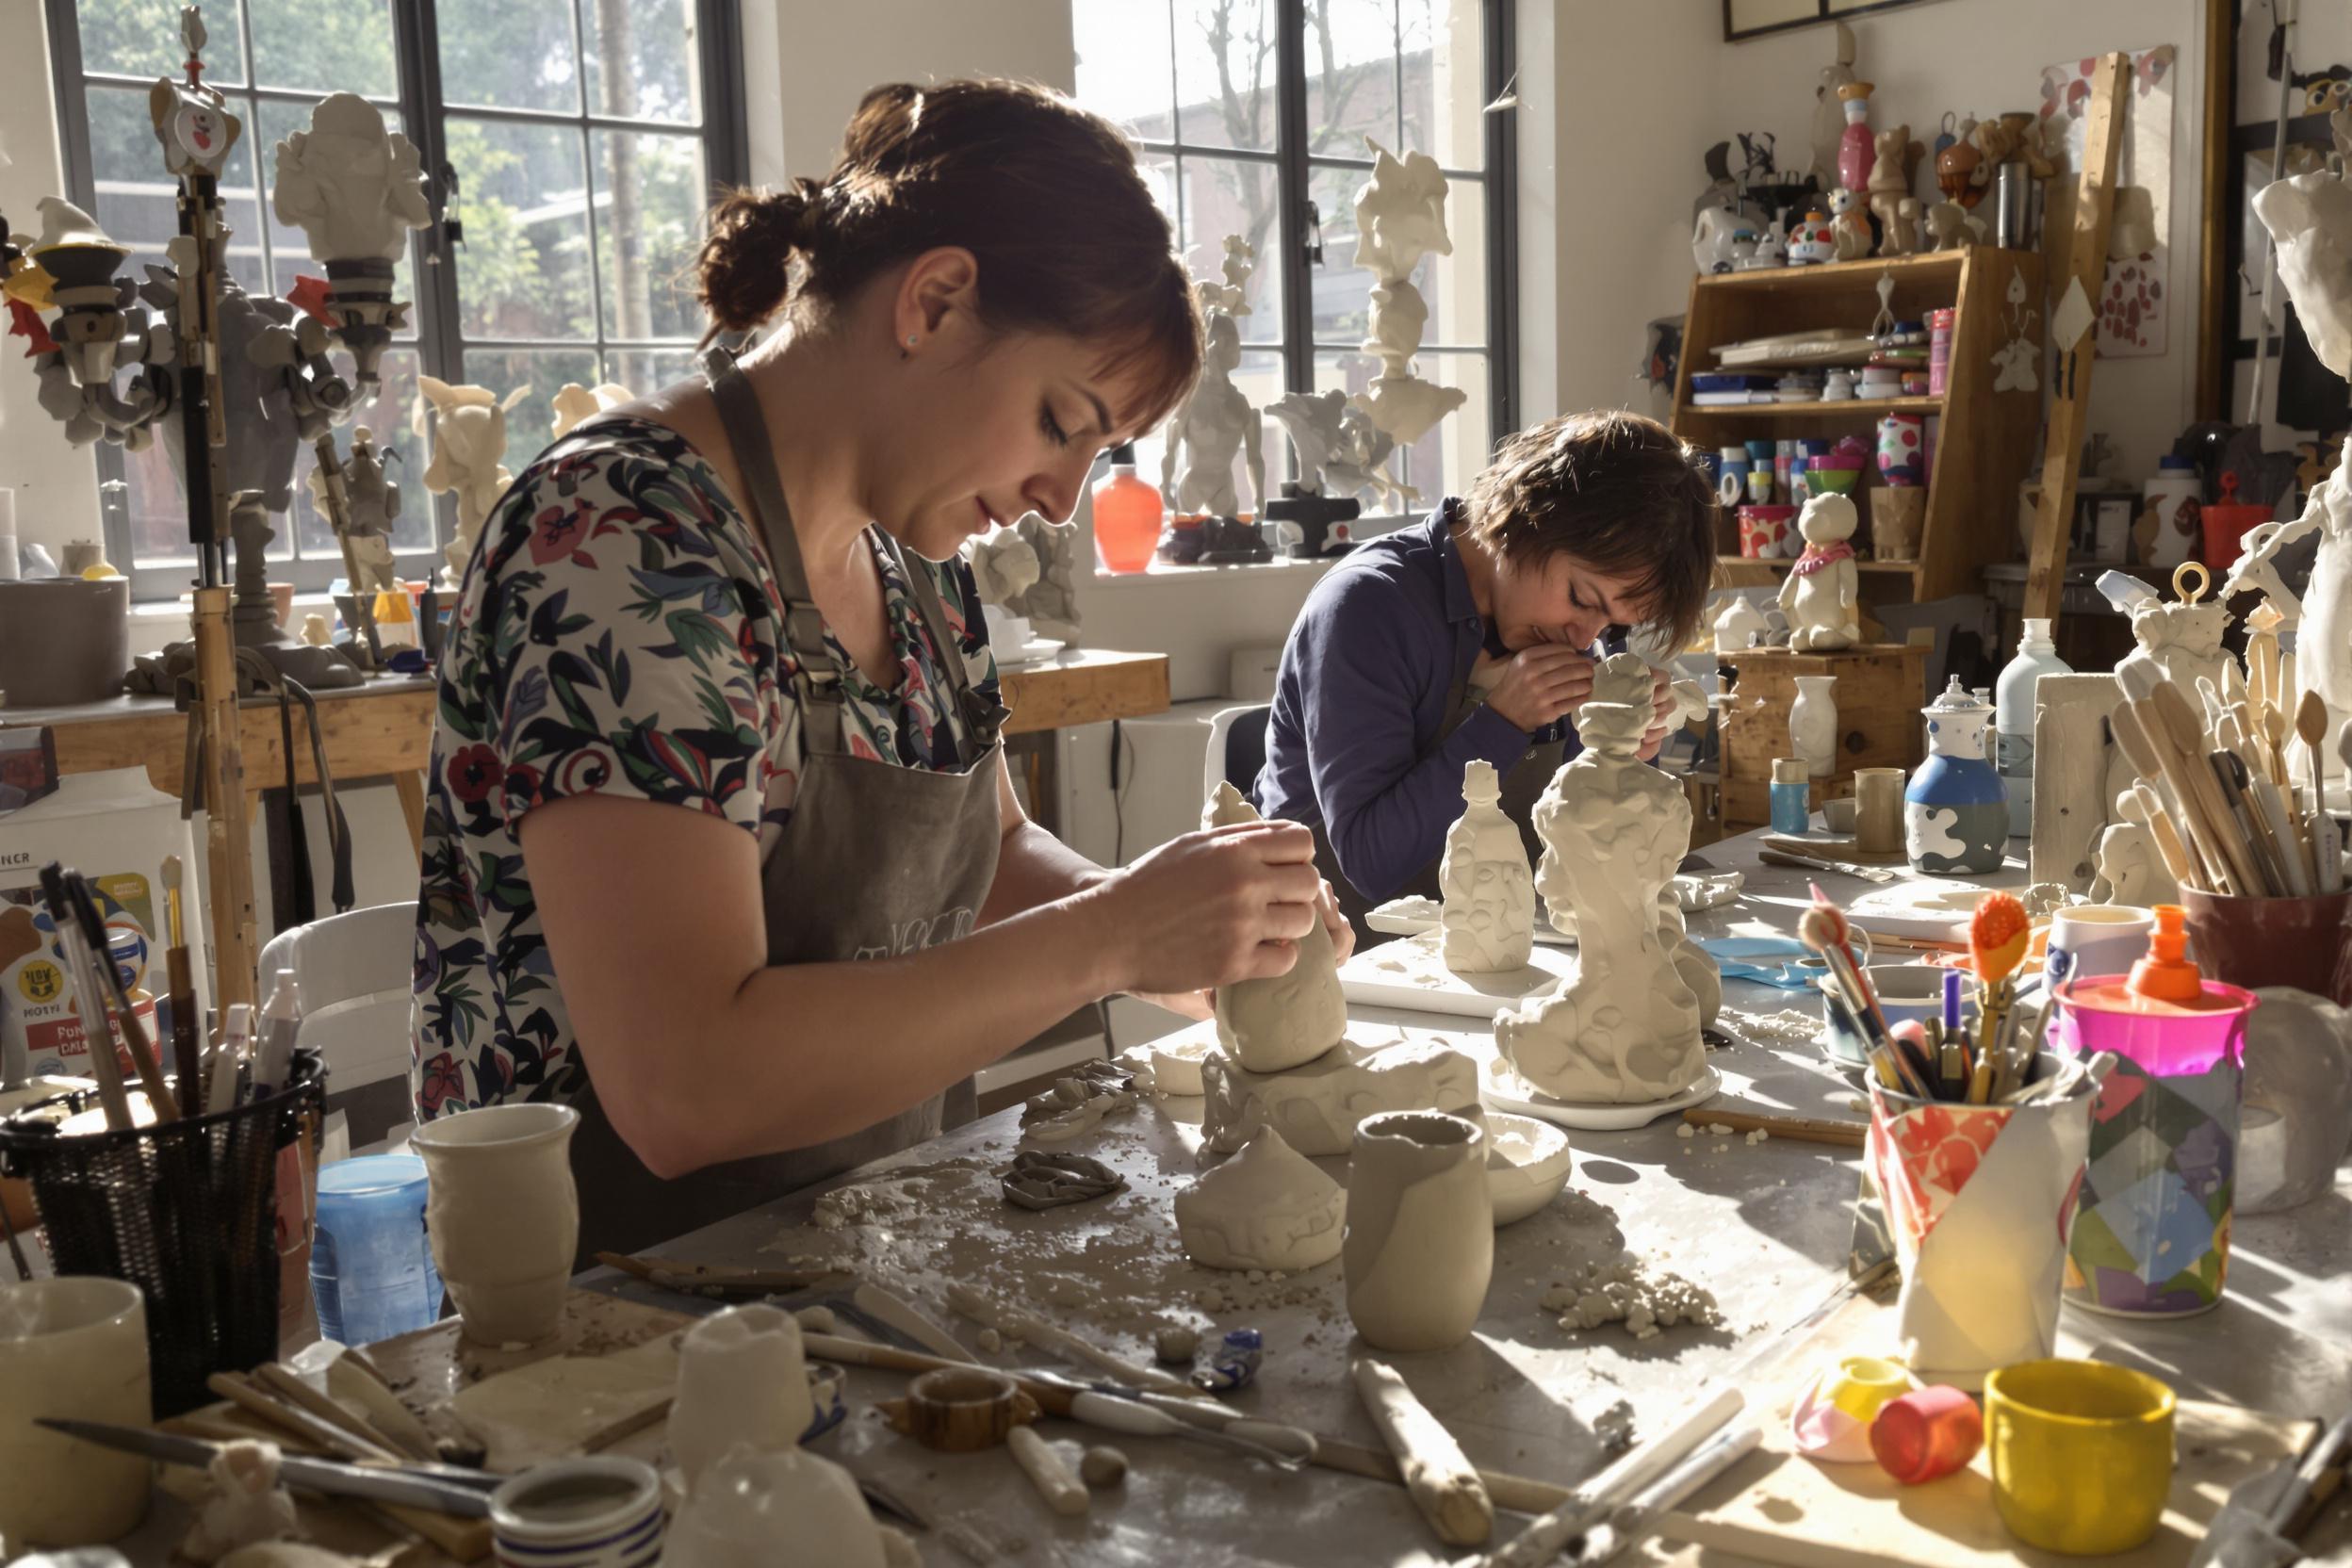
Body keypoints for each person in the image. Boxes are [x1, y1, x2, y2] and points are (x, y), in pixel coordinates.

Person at [410, 79, 1348, 1264]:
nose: (1065, 500)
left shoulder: (914, 558)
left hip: (864, 1246)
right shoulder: (623, 539)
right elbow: (684, 1083)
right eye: (1063, 422)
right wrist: (1115, 932)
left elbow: (994, 852)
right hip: (611, 1323)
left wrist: (1191, 937)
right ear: (936, 301)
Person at [1254, 411, 1716, 933]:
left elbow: (1575, 841)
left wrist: (1625, 750)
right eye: (1582, 599)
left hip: (1491, 937)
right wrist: (1503, 722)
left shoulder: (1557, 625)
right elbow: (1370, 863)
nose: (1586, 638)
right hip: (1337, 955)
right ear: (1527, 519)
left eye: (1611, 623)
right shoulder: (1368, 607)